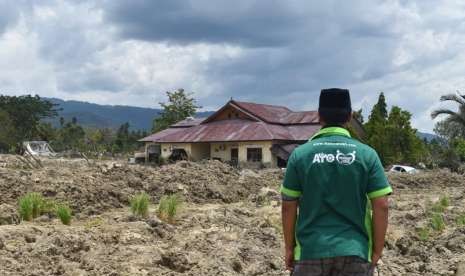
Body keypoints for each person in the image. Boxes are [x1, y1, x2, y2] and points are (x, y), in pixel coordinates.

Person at [281, 88, 392, 276]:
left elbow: (288, 206)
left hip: (309, 253)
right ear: (349, 116)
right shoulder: (367, 155)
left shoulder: (300, 155)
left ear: (319, 116)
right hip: (355, 252)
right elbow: (381, 205)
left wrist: (290, 248)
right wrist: (377, 251)